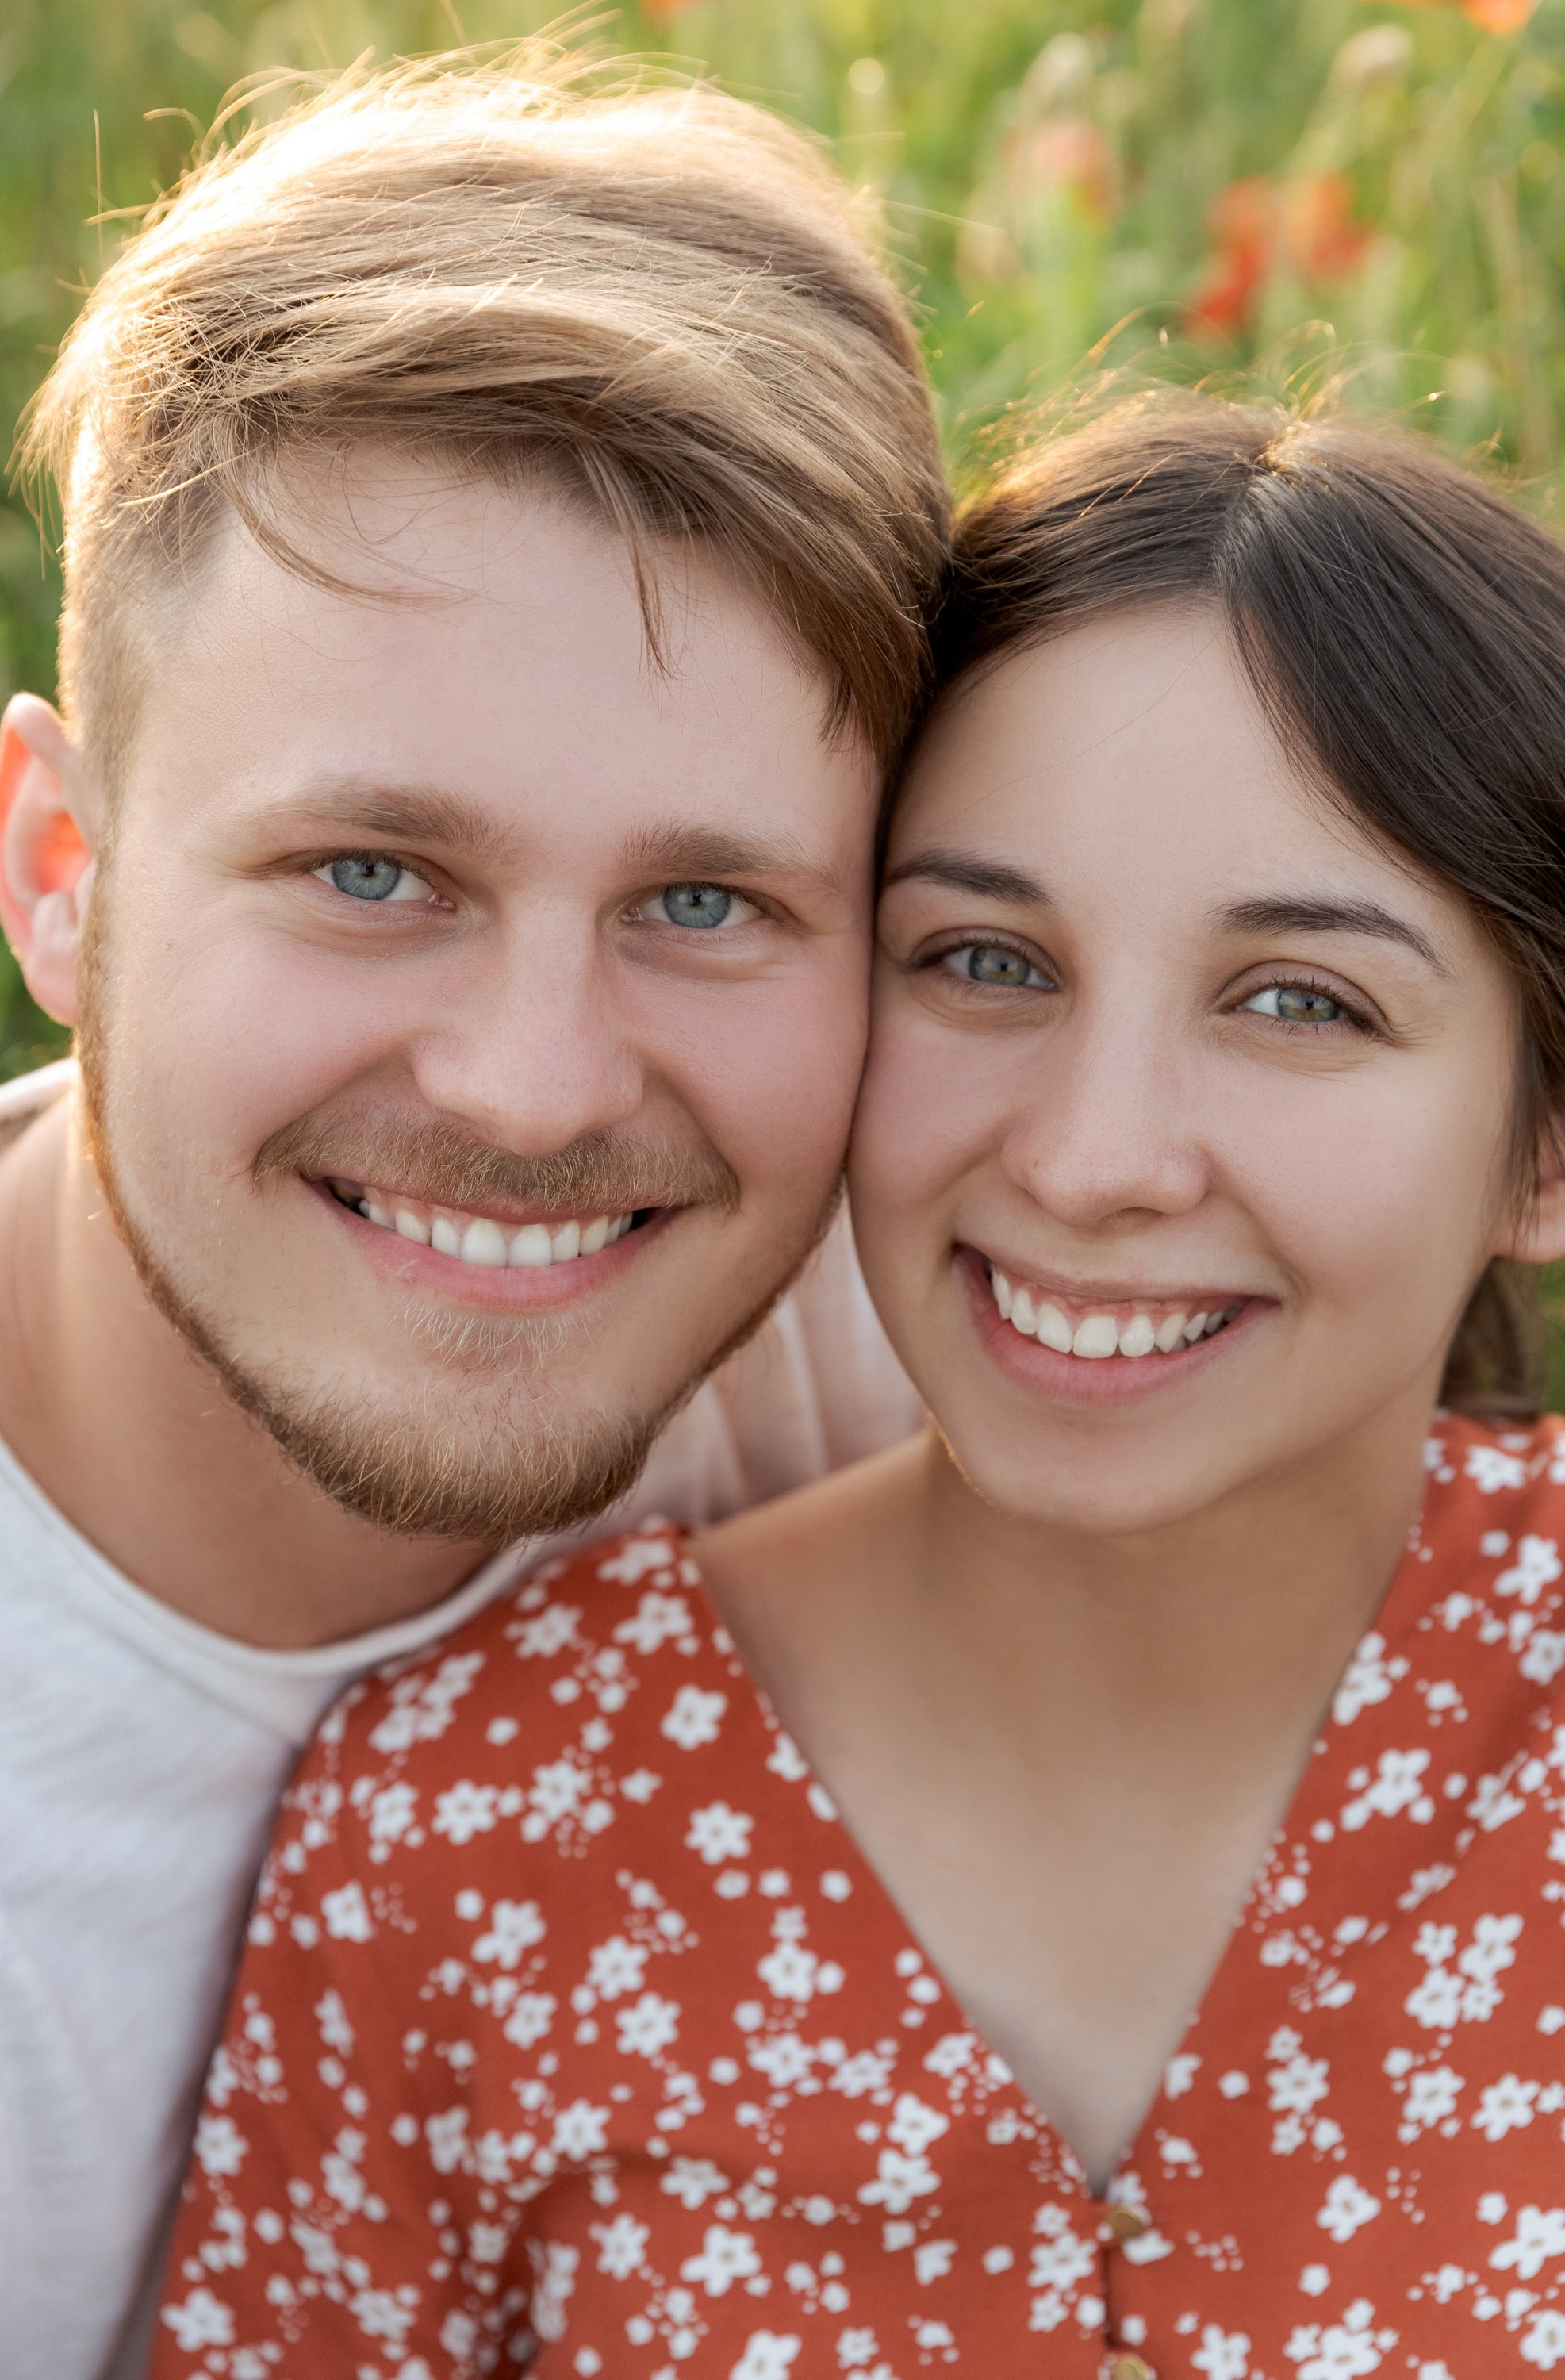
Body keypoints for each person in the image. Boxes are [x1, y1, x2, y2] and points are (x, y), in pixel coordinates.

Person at [153, 393, 1565, 2380]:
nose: (1095, 1159)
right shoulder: (472, 1830)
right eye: (986, 962)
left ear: (1550, 1146)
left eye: (1300, 1002)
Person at [0, 50, 946, 2380]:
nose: (534, 1087)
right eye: (370, 873)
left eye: (710, 901)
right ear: (59, 867)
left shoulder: (927, 1378)